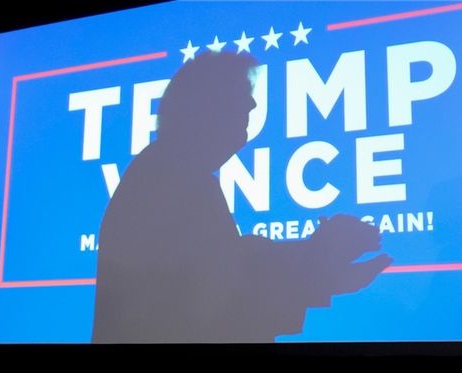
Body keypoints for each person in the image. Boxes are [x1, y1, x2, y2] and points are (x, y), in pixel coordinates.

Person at [92, 52, 393, 343]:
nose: (251, 104)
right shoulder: (170, 178)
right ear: (205, 108)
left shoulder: (167, 172)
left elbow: (225, 268)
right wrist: (321, 256)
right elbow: (222, 286)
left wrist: (322, 260)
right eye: (240, 94)